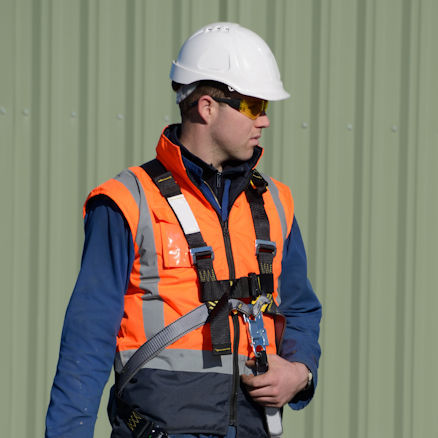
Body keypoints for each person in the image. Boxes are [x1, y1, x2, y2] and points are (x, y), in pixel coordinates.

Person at [45, 22, 322, 438]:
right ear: (207, 107)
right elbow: (87, 339)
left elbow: (300, 308)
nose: (264, 120)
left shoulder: (274, 203)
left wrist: (300, 372)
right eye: (252, 104)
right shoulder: (127, 200)